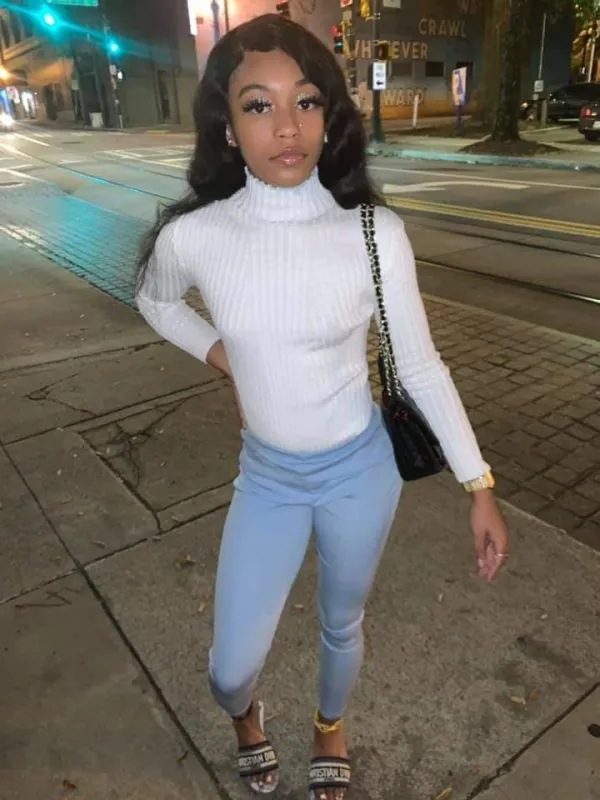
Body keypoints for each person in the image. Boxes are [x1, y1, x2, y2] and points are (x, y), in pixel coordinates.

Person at [136, 13, 509, 800]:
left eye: (305, 102)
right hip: (268, 479)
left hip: (359, 472)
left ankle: (328, 728)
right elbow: (156, 302)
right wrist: (225, 356)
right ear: (227, 126)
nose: (286, 126)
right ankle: (246, 716)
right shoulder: (196, 237)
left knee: (343, 622)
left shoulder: (373, 232)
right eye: (258, 105)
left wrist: (478, 486)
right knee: (229, 668)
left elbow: (420, 364)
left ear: (329, 116)